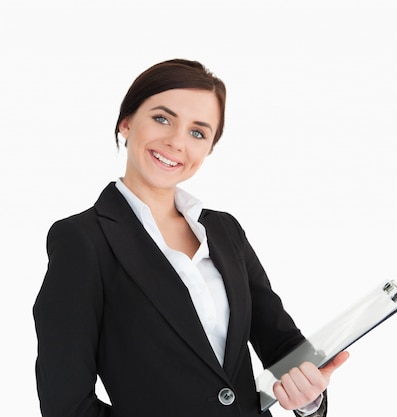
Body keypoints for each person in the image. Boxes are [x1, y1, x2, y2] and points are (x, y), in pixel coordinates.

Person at [32, 59, 348, 417]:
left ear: (208, 149)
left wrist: (308, 397)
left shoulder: (225, 231)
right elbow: (66, 404)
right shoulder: (83, 239)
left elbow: (282, 344)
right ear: (126, 122)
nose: (176, 142)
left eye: (198, 133)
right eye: (162, 119)